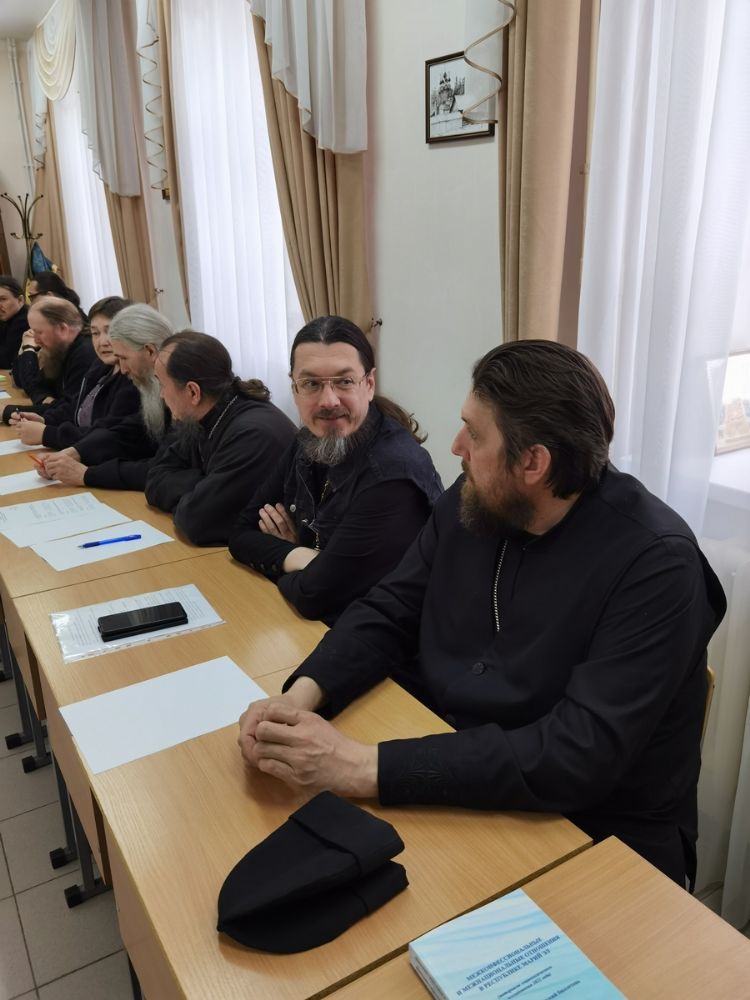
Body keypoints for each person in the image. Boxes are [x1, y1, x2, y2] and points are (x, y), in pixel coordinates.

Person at [238, 340, 726, 889]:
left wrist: (358, 766)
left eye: (473, 433)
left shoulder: (656, 564)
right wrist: (300, 698)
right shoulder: (475, 498)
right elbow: (389, 608)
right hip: (454, 773)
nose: (456, 446)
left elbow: (576, 753)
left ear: (533, 462)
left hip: (595, 834)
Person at [229, 316, 443, 624]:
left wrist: (290, 559)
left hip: (385, 638)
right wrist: (303, 556)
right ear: (294, 389)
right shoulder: (306, 441)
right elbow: (240, 534)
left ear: (369, 385)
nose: (328, 401)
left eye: (344, 382)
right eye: (311, 384)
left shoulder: (392, 473)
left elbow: (315, 596)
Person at [145, 330, 296, 545]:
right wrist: (202, 485)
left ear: (193, 392)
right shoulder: (207, 414)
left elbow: (195, 522)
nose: (161, 395)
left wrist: (200, 492)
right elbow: (155, 478)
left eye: (162, 385)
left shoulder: (252, 435)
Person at [40, 304, 174, 490]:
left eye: (124, 358)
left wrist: (87, 475)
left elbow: (167, 469)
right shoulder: (154, 384)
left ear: (150, 351)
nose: (123, 369)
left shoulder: (178, 390)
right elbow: (128, 430)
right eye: (95, 333)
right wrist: (76, 452)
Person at [13, 296, 139, 451]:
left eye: (110, 332)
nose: (102, 342)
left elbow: (109, 436)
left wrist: (48, 434)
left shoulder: (132, 377)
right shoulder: (101, 366)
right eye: (95, 333)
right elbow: (76, 406)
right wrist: (45, 420)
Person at [1, 296, 95, 424]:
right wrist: (45, 399)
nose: (35, 339)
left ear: (63, 329)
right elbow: (34, 385)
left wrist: (8, 412)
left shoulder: (85, 355)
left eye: (39, 332)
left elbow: (71, 411)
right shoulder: (60, 348)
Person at [0, 275, 27, 369]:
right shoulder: (6, 319)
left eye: (3, 299)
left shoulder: (23, 320)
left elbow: (6, 360)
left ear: (20, 300)